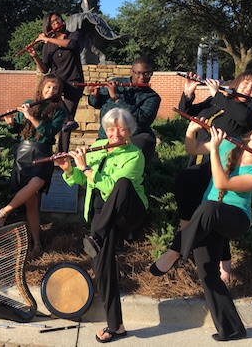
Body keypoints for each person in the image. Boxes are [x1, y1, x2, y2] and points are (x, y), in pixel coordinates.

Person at [150, 120, 252, 342]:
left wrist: (214, 149)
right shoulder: (229, 146)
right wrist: (192, 131)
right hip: (207, 219)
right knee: (207, 272)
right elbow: (191, 149)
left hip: (235, 219)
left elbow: (222, 183)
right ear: (251, 136)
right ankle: (232, 329)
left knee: (209, 206)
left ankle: (174, 251)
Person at [55, 108, 146, 343]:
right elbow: (79, 179)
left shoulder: (134, 155)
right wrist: (70, 169)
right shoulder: (98, 147)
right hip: (101, 216)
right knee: (102, 267)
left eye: (121, 128)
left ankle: (97, 236)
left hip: (127, 212)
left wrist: (86, 168)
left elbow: (112, 187)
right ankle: (116, 326)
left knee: (123, 184)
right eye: (111, 128)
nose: (115, 133)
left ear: (129, 131)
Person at [174, 69, 252, 282]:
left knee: (215, 207)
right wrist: (189, 93)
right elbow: (188, 112)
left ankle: (220, 266)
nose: (249, 88)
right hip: (203, 154)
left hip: (224, 163)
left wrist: (218, 95)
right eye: (246, 83)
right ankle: (188, 244)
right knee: (189, 191)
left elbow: (243, 119)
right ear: (237, 83)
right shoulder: (219, 100)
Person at [0, 74, 66, 254]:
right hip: (24, 153)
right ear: (42, 86)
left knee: (37, 183)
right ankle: (36, 244)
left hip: (42, 153)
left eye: (56, 88)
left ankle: (4, 211)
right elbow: (19, 130)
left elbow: (48, 132)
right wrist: (11, 123)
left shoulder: (59, 110)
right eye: (49, 86)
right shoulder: (29, 103)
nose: (51, 91)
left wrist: (30, 117)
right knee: (31, 204)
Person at [87, 56, 161, 167]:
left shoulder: (152, 97)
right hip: (105, 138)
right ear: (131, 72)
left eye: (147, 74)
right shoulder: (115, 83)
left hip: (129, 143)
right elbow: (95, 103)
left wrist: (116, 99)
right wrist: (95, 95)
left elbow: (141, 120)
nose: (142, 78)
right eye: (138, 73)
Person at [28, 12, 84, 153]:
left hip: (73, 81)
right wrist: (35, 56)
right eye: (52, 22)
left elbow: (71, 44)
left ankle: (62, 154)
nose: (56, 22)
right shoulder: (48, 45)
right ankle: (44, 147)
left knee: (67, 120)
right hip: (57, 83)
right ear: (48, 25)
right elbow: (45, 68)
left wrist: (48, 39)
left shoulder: (73, 34)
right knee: (58, 116)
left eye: (57, 19)